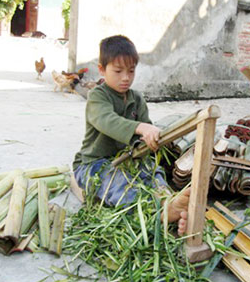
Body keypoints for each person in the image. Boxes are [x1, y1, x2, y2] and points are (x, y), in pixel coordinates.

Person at [72, 35, 189, 234]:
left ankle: (167, 201)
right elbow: (108, 121)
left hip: (129, 158)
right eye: (118, 71)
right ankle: (154, 213)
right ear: (102, 69)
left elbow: (145, 133)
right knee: (118, 183)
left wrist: (150, 140)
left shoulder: (136, 99)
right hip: (94, 164)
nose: (125, 77)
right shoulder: (97, 97)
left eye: (131, 71)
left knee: (153, 171)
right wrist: (141, 128)